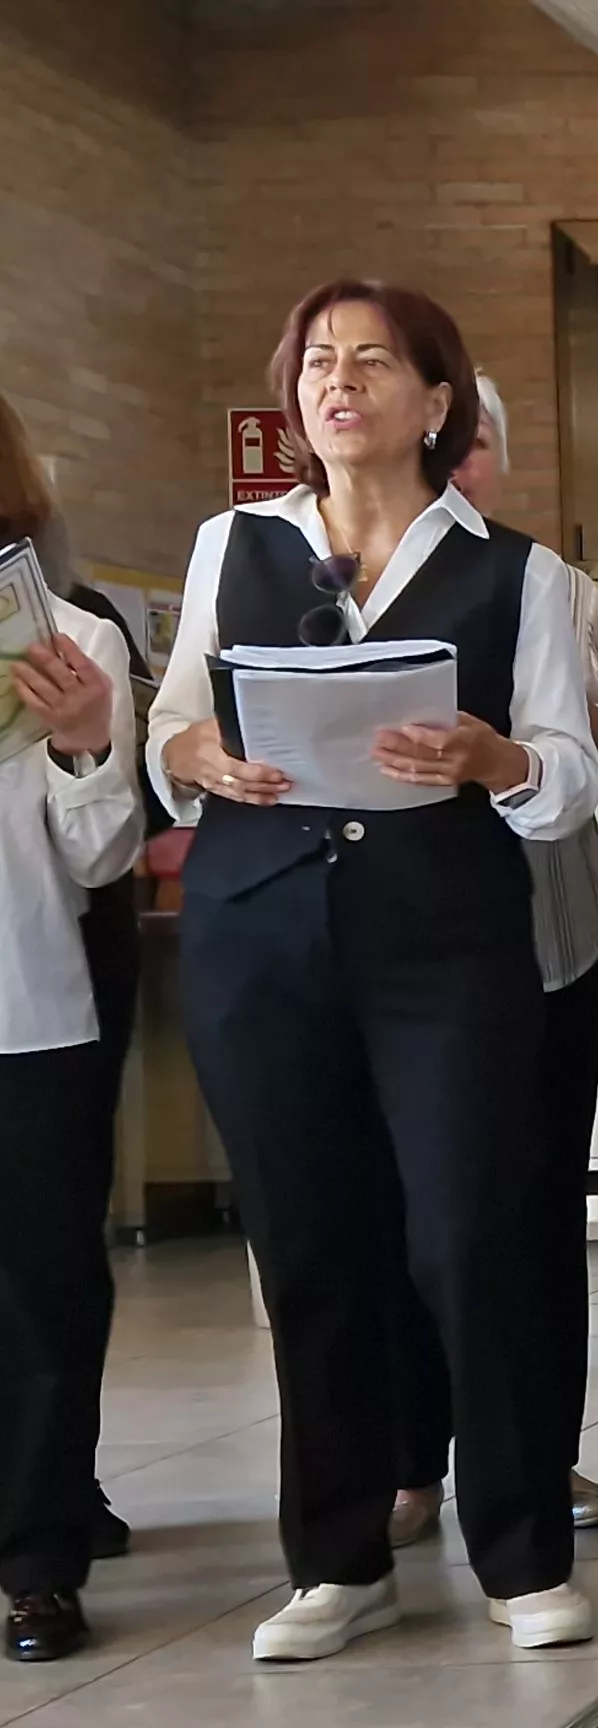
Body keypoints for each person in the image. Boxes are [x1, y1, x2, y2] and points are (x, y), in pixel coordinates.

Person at [149, 280, 598, 1658]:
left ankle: (522, 1553)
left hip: (445, 942)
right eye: (316, 365)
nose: (335, 384)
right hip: (258, 931)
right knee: (307, 1243)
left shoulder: (523, 574)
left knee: (472, 1234)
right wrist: (201, 759)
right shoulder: (233, 544)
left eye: (370, 363)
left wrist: (499, 759)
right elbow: (171, 729)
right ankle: (338, 1561)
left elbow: (571, 776)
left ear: (435, 401)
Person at [382, 371, 598, 1549]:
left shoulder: (562, 591)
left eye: (476, 444)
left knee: (535, 1215)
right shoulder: (342, 590)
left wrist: (578, 725)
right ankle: (403, 1462)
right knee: (404, 1214)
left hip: (550, 951)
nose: (459, 460)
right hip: (404, 954)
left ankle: (543, 1457)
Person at [0, 388, 147, 1664]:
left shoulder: (72, 637)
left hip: (26, 1006)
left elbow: (102, 856)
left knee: (43, 1291)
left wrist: (87, 744)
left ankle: (39, 1557)